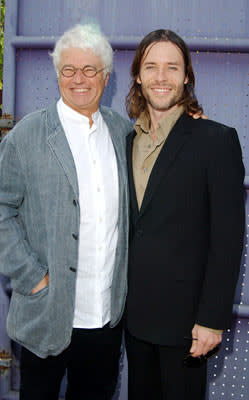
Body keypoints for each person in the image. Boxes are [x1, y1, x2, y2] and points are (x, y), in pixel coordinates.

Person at [0, 24, 132, 400]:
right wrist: (32, 277)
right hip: (46, 314)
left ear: (106, 77)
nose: (79, 79)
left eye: (89, 70)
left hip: (105, 317)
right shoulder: (27, 135)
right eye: (68, 70)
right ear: (57, 75)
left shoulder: (123, 133)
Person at [125, 29, 245, 400]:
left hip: (186, 325)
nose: (162, 77)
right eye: (152, 67)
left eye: (172, 67)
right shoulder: (126, 140)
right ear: (138, 76)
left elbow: (228, 240)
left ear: (187, 76)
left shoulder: (216, 140)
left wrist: (211, 319)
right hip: (133, 320)